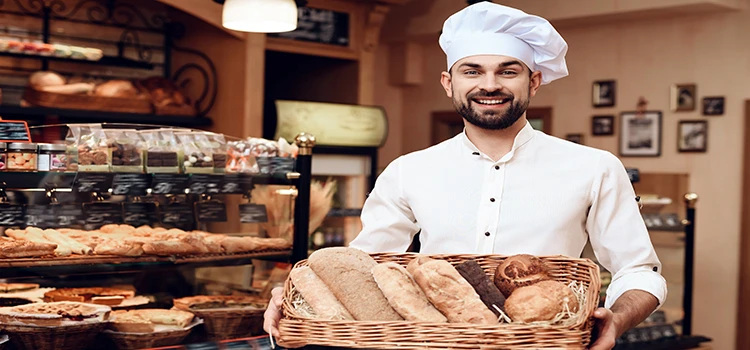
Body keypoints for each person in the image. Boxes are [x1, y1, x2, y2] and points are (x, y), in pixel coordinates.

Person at [264, 2, 667, 350]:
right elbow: (365, 267)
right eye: (471, 71)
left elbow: (638, 271)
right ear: (448, 83)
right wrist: (294, 297)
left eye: (508, 71)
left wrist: (616, 318)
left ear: (534, 81)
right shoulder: (408, 171)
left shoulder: (594, 167)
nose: (489, 85)